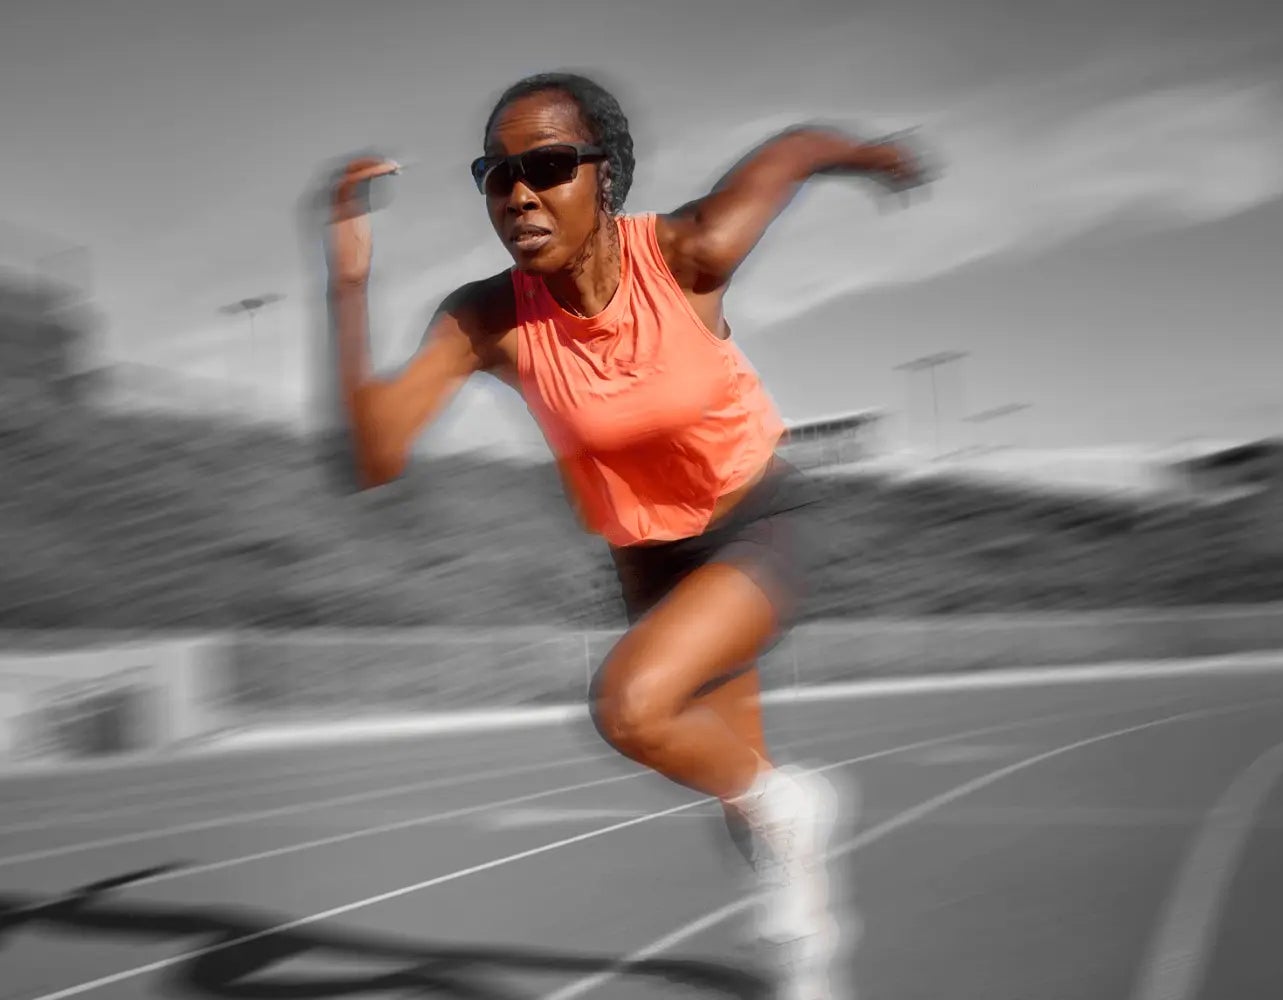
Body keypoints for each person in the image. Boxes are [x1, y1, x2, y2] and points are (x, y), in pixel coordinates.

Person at [318, 71, 931, 998]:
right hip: (647, 559)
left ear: (605, 177)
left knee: (636, 708)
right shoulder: (487, 318)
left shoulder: (688, 254)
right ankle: (808, 956)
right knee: (746, 798)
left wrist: (872, 156)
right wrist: (348, 281)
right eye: (496, 174)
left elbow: (794, 148)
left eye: (549, 165)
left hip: (758, 522)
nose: (518, 192)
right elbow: (375, 456)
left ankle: (802, 809)